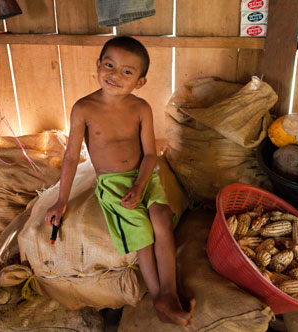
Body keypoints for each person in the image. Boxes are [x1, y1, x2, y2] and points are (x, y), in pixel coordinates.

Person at [44, 36, 195, 327]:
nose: (115, 75)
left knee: (161, 218)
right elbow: (71, 158)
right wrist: (61, 200)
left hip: (144, 176)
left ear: (140, 81)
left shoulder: (141, 108)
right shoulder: (83, 109)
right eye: (110, 65)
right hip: (113, 183)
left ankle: (170, 292)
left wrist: (140, 186)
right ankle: (158, 297)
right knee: (141, 230)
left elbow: (151, 154)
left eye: (127, 71)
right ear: (98, 65)